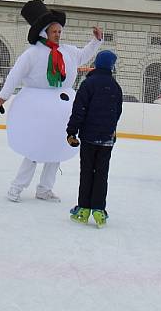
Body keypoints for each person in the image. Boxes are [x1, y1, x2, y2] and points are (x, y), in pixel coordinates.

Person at [0, 0, 102, 203]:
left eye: (59, 31)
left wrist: (95, 42)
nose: (58, 35)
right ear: (44, 32)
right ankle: (16, 187)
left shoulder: (67, 52)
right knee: (34, 149)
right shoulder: (32, 53)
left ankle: (45, 189)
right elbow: (15, 75)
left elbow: (84, 55)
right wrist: (3, 96)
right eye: (54, 32)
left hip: (62, 111)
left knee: (56, 149)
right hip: (37, 109)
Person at [66, 49, 122, 227]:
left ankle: (83, 208)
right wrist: (112, 129)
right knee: (101, 174)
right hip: (106, 139)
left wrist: (71, 132)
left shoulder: (88, 84)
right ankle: (98, 209)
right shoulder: (115, 87)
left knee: (87, 172)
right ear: (112, 66)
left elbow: (79, 110)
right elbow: (117, 112)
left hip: (89, 137)